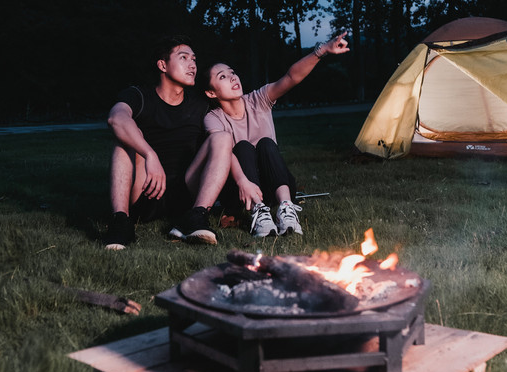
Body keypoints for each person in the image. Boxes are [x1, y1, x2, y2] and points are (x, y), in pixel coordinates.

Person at [202, 32, 350, 237]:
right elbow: (224, 155)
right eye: (223, 77)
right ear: (211, 93)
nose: (233, 77)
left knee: (265, 143)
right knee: (242, 147)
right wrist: (244, 182)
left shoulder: (258, 100)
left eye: (232, 72)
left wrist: (322, 50)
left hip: (275, 184)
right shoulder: (213, 118)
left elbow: (291, 77)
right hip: (240, 192)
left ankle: (286, 209)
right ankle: (258, 213)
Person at [105, 37, 231, 249]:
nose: (192, 65)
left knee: (222, 137)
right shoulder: (139, 95)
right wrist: (150, 155)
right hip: (147, 188)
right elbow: (115, 119)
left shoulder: (200, 105)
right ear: (163, 65)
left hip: (187, 193)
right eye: (183, 58)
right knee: (123, 140)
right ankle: (120, 222)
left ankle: (197, 216)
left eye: (194, 59)